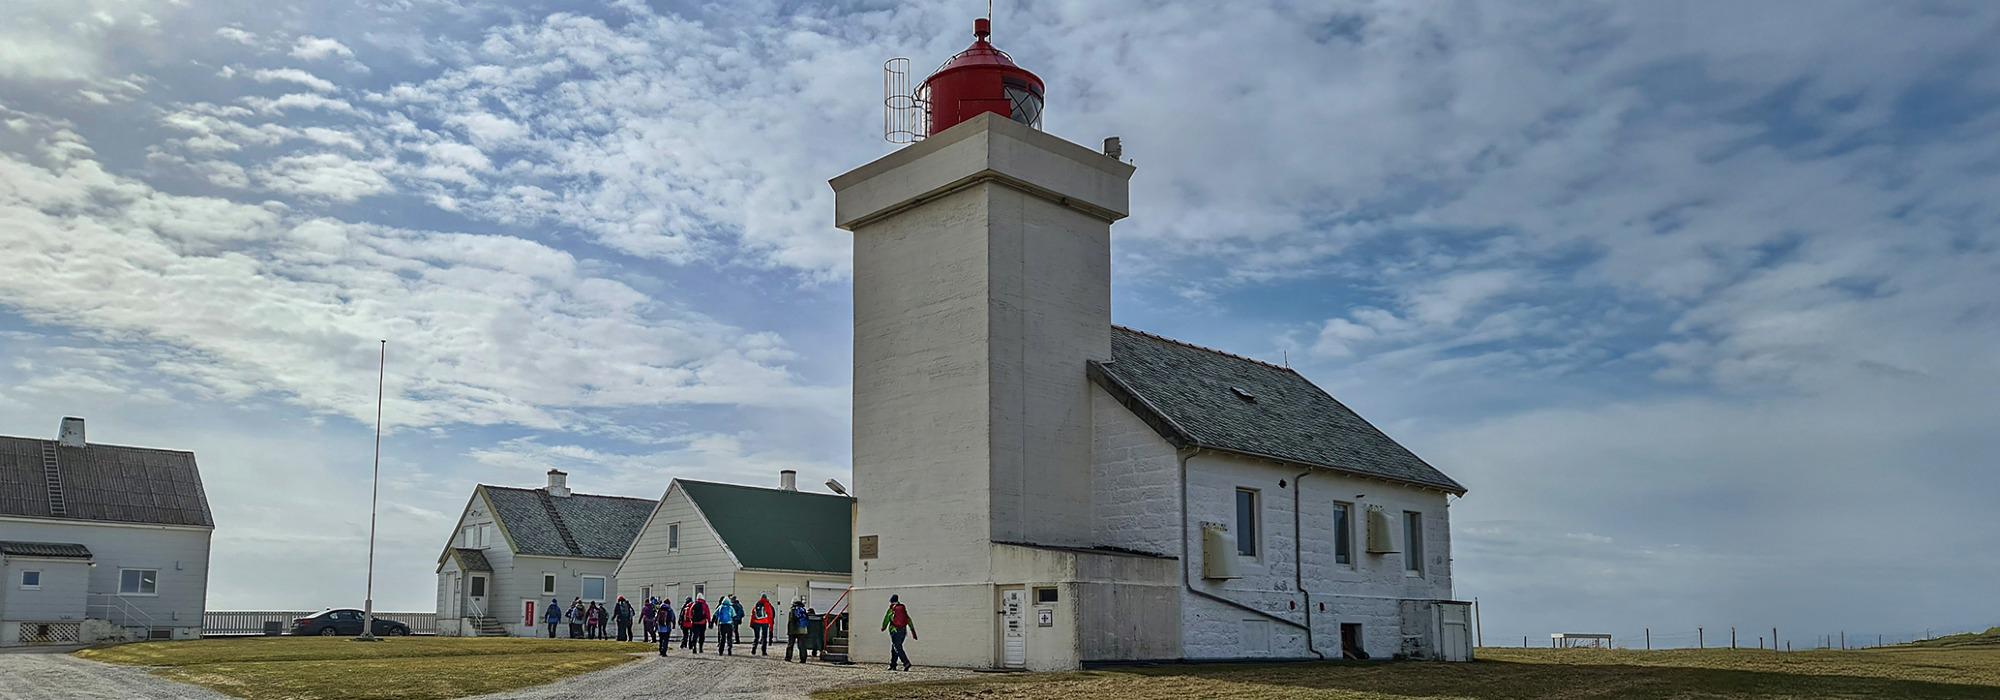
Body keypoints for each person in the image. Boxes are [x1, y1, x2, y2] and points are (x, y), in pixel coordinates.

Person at [881, 594, 916, 671]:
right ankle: (893, 665)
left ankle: (906, 662)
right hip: (903, 630)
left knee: (897, 648)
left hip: (894, 630)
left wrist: (883, 627)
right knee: (895, 648)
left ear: (891, 601)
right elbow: (908, 619)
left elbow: (887, 618)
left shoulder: (891, 609)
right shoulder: (902, 609)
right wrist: (913, 630)